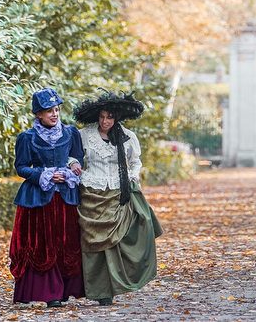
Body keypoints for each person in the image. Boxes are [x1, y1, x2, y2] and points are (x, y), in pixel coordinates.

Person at [73, 91, 163, 306]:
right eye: (102, 116)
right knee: (93, 244)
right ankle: (98, 289)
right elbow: (74, 157)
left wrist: (133, 176)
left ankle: (114, 287)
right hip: (91, 193)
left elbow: (135, 162)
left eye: (110, 117)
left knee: (120, 241)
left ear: (117, 118)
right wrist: (73, 165)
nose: (105, 121)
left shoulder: (128, 137)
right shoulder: (84, 135)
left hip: (118, 193)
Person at [9, 88, 85, 307]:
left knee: (67, 242)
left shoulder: (71, 133)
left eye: (56, 109)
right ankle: (48, 293)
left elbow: (78, 158)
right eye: (48, 110)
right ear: (38, 114)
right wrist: (44, 174)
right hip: (39, 200)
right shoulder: (27, 137)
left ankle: (64, 290)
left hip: (65, 199)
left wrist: (72, 168)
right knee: (43, 245)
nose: (54, 114)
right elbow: (21, 167)